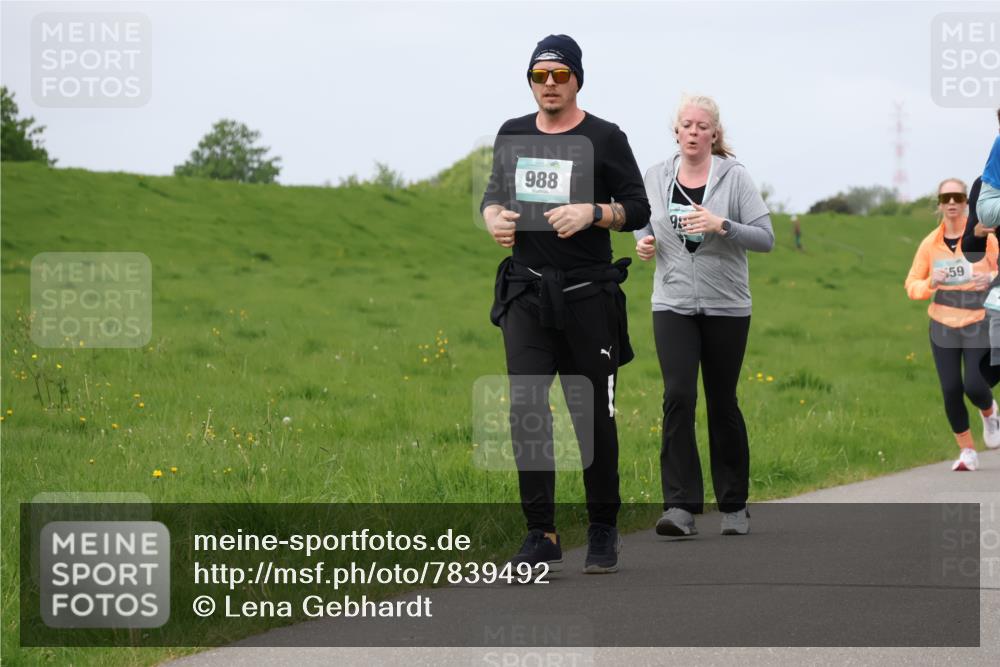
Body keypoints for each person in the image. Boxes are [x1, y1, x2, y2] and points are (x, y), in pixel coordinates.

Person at [481, 35, 650, 573]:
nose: (549, 85)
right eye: (539, 76)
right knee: (527, 412)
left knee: (592, 417)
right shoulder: (513, 133)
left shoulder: (605, 137)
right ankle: (542, 535)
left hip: (587, 297)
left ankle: (602, 528)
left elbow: (638, 207)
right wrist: (492, 216)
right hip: (527, 294)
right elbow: (495, 193)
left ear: (577, 78)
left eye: (559, 75)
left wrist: (595, 213)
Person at [633, 94, 773, 537]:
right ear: (676, 132)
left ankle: (734, 506)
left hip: (726, 306)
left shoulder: (735, 179)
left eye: (701, 126)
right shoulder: (656, 176)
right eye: (686, 125)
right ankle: (679, 507)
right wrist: (643, 242)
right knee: (677, 396)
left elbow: (765, 238)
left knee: (721, 400)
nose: (693, 132)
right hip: (672, 302)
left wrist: (722, 225)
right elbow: (643, 222)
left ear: (714, 133)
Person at [905, 177, 1000, 472]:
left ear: (966, 202)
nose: (952, 204)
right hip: (943, 325)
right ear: (939, 205)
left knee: (974, 383)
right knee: (950, 388)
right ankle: (967, 450)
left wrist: (991, 279)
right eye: (945, 199)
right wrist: (931, 282)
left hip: (979, 320)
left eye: (958, 197)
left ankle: (989, 412)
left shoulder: (986, 237)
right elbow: (911, 284)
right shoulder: (929, 244)